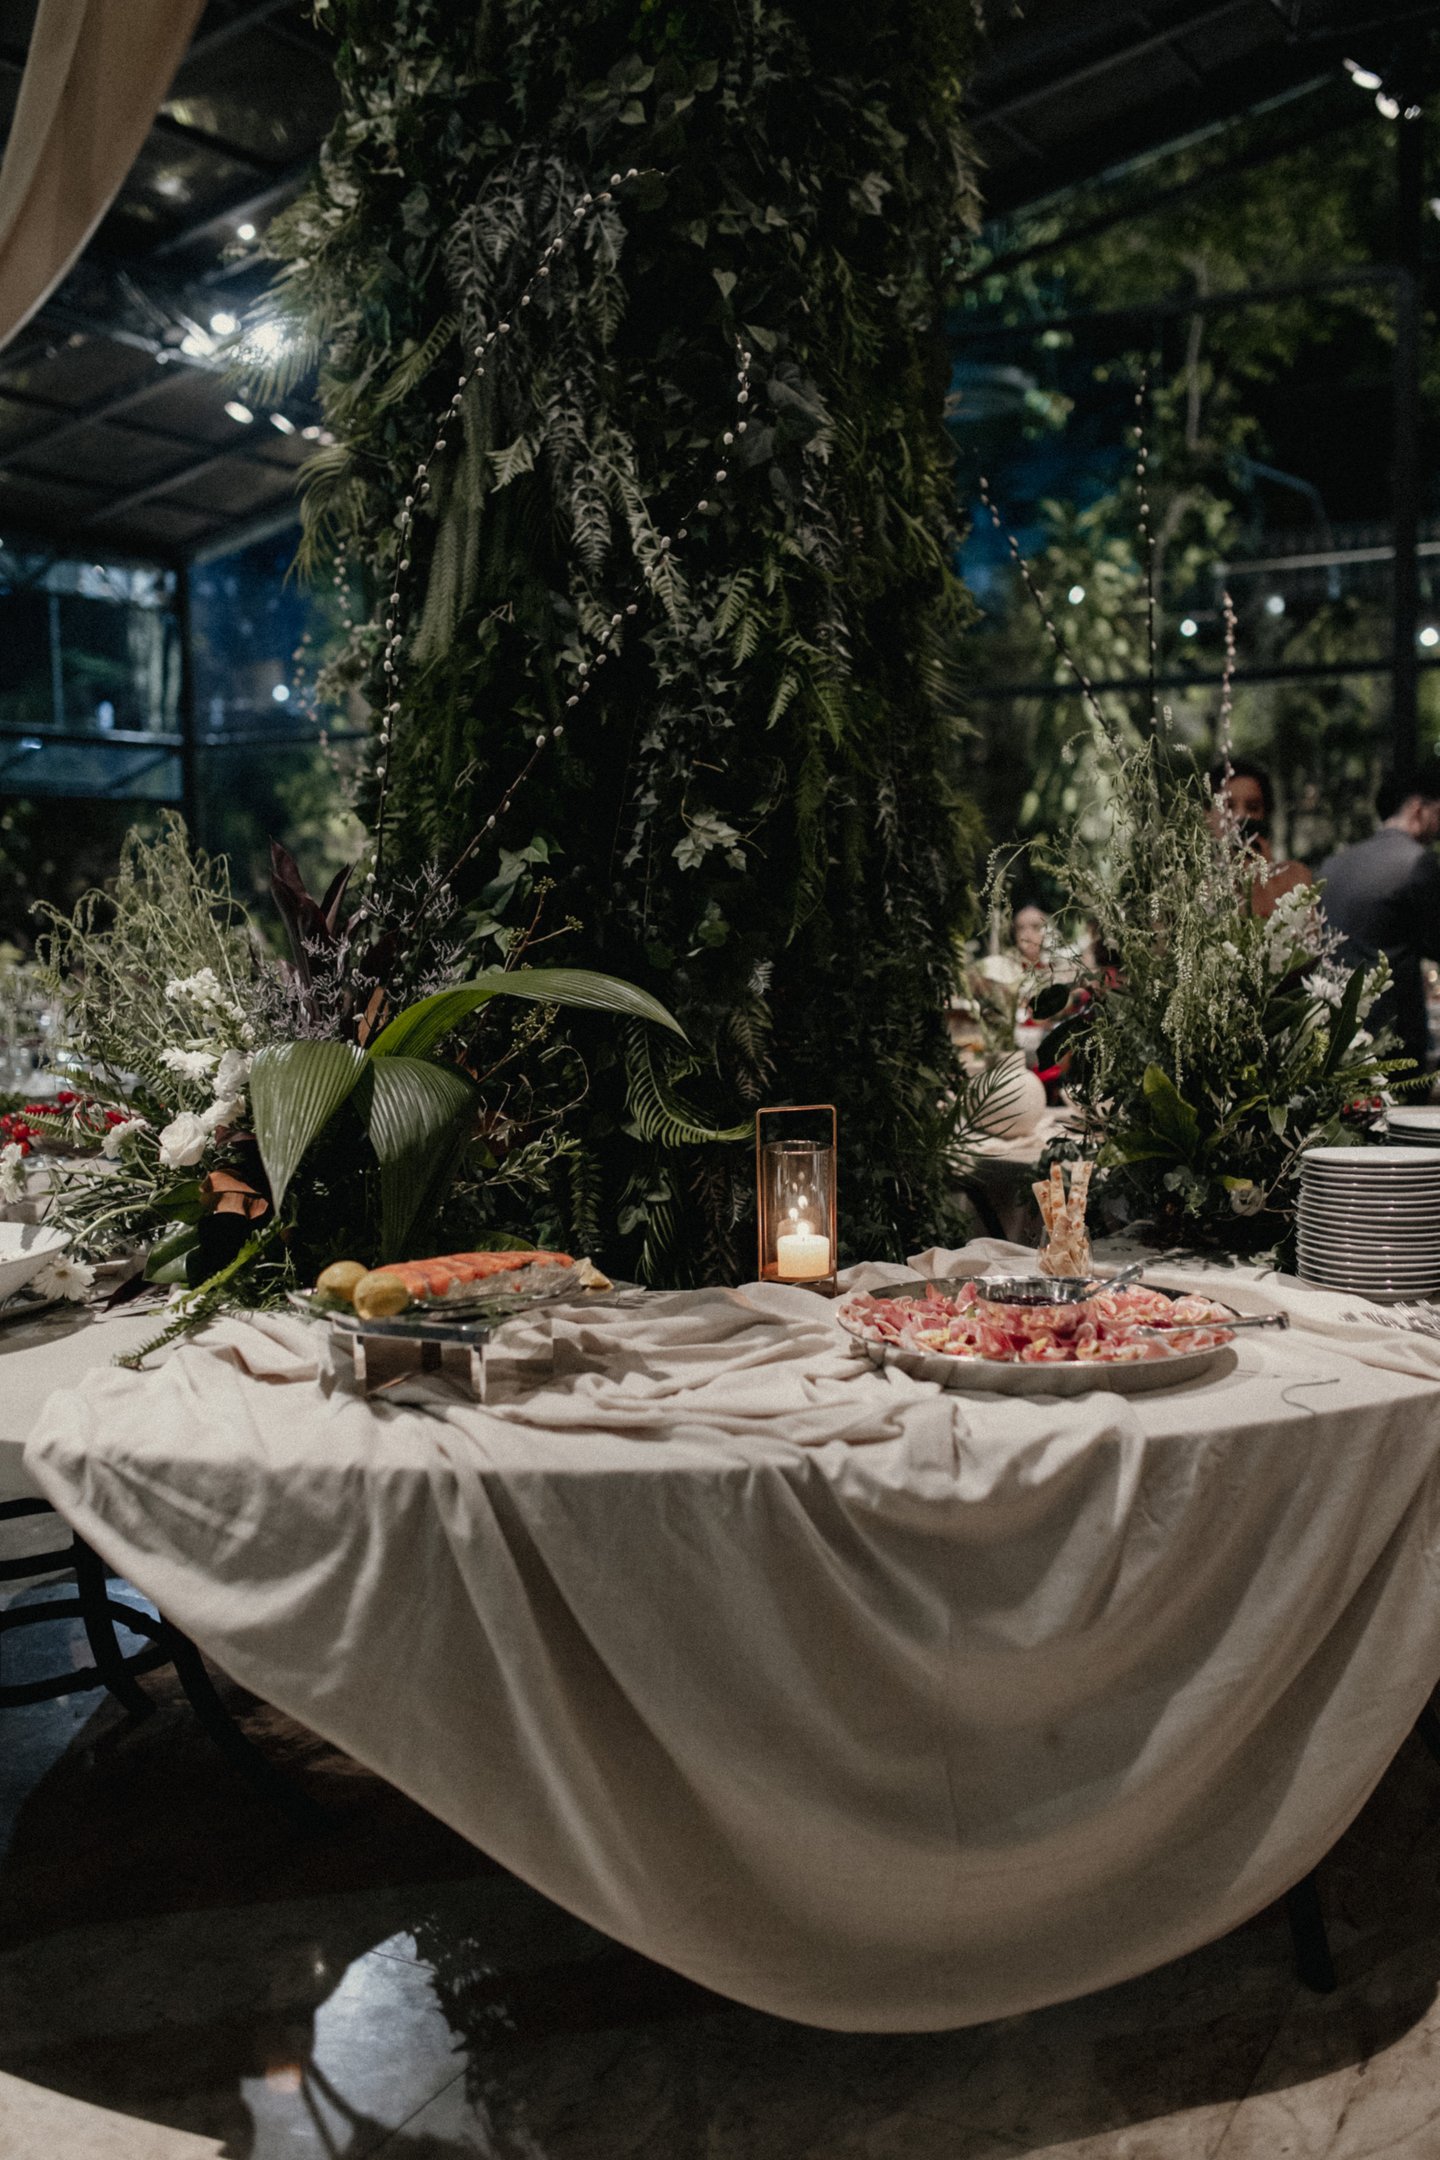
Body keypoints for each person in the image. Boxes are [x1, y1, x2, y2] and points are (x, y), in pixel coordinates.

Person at [1318, 760, 1440, 1072]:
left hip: (1327, 1032)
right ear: (1418, 809)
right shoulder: (1418, 863)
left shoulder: (1333, 864)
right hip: (1391, 1040)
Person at [1207, 757, 1310, 919]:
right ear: (1207, 815)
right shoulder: (1187, 888)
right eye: (1229, 806)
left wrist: (1265, 879)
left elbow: (1307, 939)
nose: (1242, 816)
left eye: (1253, 807)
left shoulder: (1295, 877)